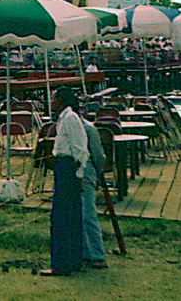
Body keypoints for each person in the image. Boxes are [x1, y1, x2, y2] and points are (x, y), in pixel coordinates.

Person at [41, 87, 88, 276]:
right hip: (62, 166)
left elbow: (80, 149)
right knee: (71, 215)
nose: (51, 103)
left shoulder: (71, 119)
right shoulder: (63, 120)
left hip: (69, 169)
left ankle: (61, 264)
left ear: (61, 100)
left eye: (53, 100)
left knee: (60, 217)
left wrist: (79, 175)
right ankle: (73, 260)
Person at [81, 115, 108, 269]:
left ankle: (97, 253)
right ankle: (84, 250)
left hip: (87, 169)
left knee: (88, 212)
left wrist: (97, 172)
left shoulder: (89, 129)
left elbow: (97, 155)